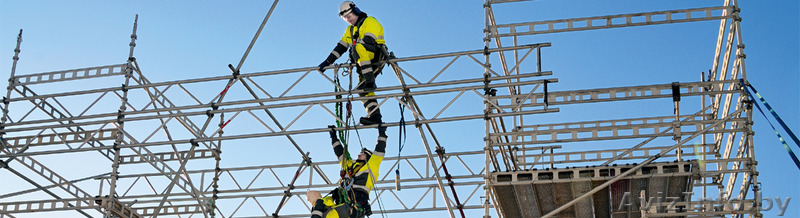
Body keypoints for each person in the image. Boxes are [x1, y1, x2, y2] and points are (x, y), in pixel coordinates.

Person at [317, 1, 386, 125]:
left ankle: (370, 81)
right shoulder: (350, 30)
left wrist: (354, 50)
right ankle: (375, 115)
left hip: (375, 55)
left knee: (357, 48)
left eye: (349, 17)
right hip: (363, 61)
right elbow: (341, 47)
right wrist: (327, 62)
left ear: (356, 12)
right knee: (362, 88)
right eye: (345, 19)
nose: (348, 20)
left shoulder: (370, 21)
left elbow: (369, 40)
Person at [307, 125, 387, 218]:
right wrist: (334, 137)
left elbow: (379, 151)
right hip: (344, 205)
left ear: (368, 157)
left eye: (362, 154)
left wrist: (382, 134)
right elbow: (340, 153)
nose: (358, 155)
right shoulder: (350, 167)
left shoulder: (370, 166)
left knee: (330, 214)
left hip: (353, 206)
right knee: (321, 206)